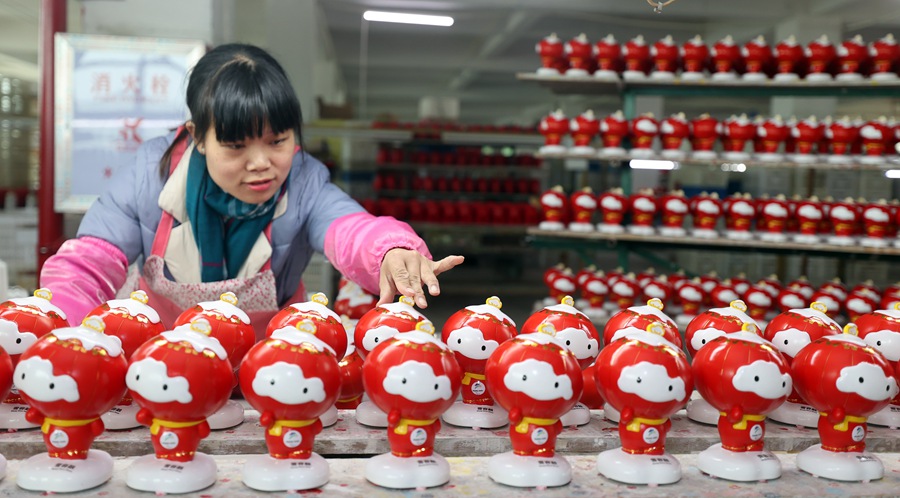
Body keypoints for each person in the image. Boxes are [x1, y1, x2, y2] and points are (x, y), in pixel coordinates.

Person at [40, 43, 463, 333]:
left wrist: (390, 251)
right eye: (236, 146)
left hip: (267, 373)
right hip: (160, 371)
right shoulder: (150, 175)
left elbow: (351, 229)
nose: (261, 163)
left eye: (277, 141)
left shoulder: (304, 182)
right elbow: (87, 266)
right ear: (198, 137)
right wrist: (59, 329)